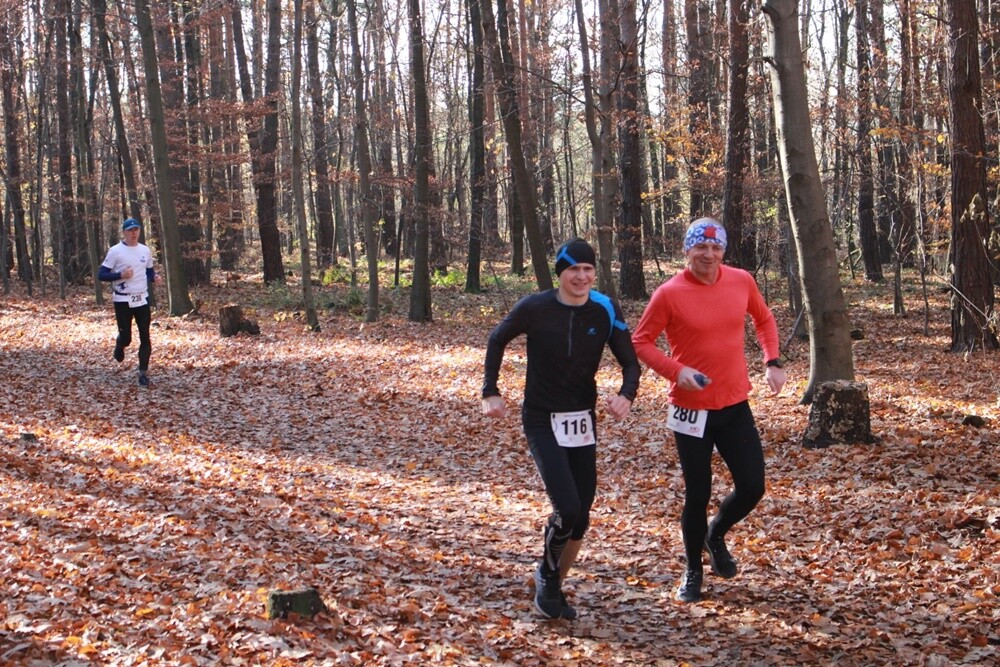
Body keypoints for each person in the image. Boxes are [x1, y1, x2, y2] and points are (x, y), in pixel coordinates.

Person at [481, 238, 640, 620]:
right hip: (541, 417)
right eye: (574, 270)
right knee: (566, 507)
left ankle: (552, 579)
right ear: (561, 274)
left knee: (581, 514)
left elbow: (630, 362)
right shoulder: (535, 307)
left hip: (582, 419)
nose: (582, 277)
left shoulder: (604, 308)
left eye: (588, 269)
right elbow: (497, 339)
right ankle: (549, 582)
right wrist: (491, 391)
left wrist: (626, 395)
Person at [631, 218, 787, 603]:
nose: (709, 255)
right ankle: (692, 570)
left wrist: (773, 361)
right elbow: (641, 341)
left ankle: (714, 534)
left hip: (735, 402)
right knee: (697, 493)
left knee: (753, 485)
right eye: (701, 247)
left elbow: (764, 319)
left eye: (716, 248)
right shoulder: (669, 293)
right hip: (690, 410)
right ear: (687, 250)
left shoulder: (741, 280)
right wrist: (676, 370)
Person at [98, 218, 163, 387]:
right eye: (130, 230)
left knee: (145, 336)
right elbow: (101, 274)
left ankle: (143, 373)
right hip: (122, 300)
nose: (134, 233)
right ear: (124, 232)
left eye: (136, 230)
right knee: (126, 337)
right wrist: (120, 275)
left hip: (142, 298)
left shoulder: (145, 250)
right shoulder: (115, 251)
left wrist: (154, 277)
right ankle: (120, 345)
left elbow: (148, 271)